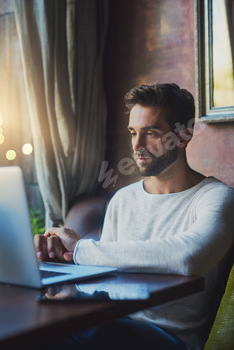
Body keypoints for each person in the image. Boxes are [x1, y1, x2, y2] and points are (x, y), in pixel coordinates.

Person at [34, 83, 234, 350]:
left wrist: (81, 249)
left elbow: (188, 259)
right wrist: (62, 271)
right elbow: (107, 281)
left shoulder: (216, 198)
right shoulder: (123, 200)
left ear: (184, 136)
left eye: (150, 133)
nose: (137, 145)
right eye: (133, 132)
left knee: (106, 334)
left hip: (171, 338)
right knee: (41, 326)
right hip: (111, 323)